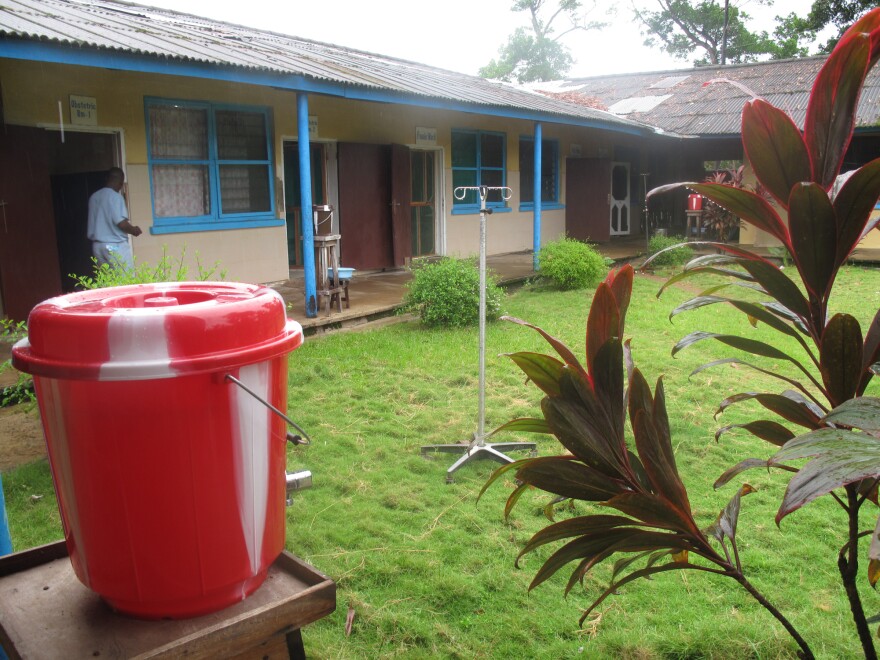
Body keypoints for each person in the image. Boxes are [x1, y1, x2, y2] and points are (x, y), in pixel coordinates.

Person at [87, 167, 142, 269]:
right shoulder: (115, 197)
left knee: (108, 281)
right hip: (115, 246)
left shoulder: (94, 197)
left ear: (107, 178)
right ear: (121, 183)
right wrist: (134, 230)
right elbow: (121, 223)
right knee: (126, 280)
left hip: (98, 247)